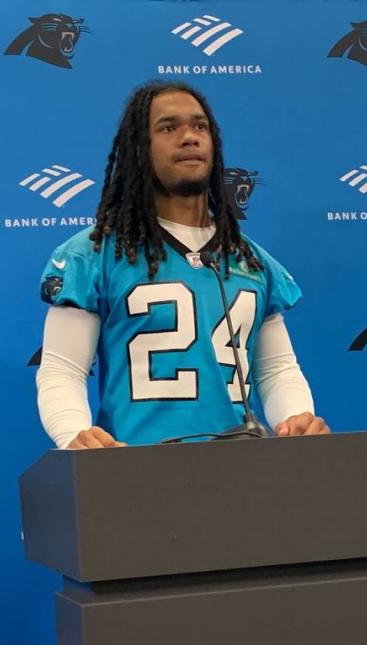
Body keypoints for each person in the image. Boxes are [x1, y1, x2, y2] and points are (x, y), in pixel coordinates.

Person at [36, 80, 329, 448]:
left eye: (199, 126)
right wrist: (75, 438)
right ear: (140, 151)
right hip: (135, 472)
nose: (189, 137)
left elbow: (275, 369)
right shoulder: (93, 253)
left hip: (244, 477)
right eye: (169, 127)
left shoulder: (253, 261)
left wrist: (294, 420)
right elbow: (62, 369)